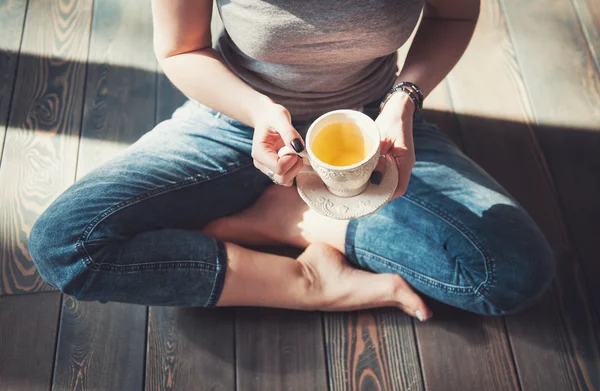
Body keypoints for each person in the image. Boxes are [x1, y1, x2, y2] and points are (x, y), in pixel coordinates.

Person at [29, 0, 555, 321]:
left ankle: (291, 215)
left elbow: (455, 12)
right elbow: (179, 50)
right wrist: (257, 111)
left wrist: (404, 100)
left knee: (511, 273)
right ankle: (308, 282)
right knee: (64, 244)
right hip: (237, 121)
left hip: (375, 121)